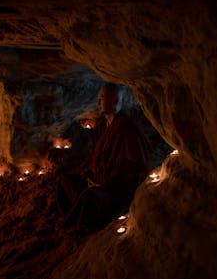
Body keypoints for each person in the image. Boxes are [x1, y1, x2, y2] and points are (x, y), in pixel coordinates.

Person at [56, 83, 152, 228]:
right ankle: (75, 213)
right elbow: (95, 156)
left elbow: (127, 170)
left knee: (90, 196)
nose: (98, 102)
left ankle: (77, 221)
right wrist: (90, 175)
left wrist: (101, 184)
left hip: (114, 188)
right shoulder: (101, 125)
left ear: (115, 100)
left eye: (102, 97)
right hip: (97, 180)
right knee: (64, 181)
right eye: (98, 98)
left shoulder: (127, 128)